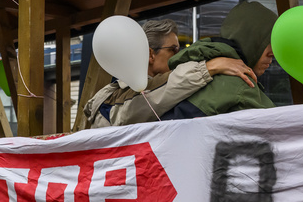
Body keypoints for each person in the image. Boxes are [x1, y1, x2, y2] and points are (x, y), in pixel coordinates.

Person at [82, 18, 259, 128]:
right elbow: (153, 96)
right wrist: (210, 67)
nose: (179, 55)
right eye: (173, 49)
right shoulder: (111, 98)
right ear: (151, 54)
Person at [166, 1, 278, 120]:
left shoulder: (199, 64)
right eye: (270, 43)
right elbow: (276, 128)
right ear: (253, 40)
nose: (272, 57)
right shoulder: (240, 83)